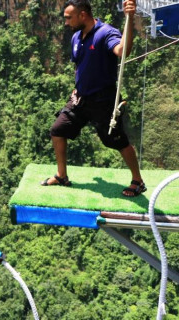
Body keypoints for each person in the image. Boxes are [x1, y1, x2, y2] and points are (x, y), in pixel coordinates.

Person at [42, 0, 146, 197]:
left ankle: (138, 181)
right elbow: (80, 66)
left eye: (69, 17)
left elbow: (122, 52)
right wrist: (76, 88)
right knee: (57, 130)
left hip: (103, 100)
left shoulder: (106, 33)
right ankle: (62, 175)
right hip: (80, 99)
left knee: (116, 140)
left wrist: (130, 18)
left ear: (83, 15)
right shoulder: (76, 37)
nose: (66, 22)